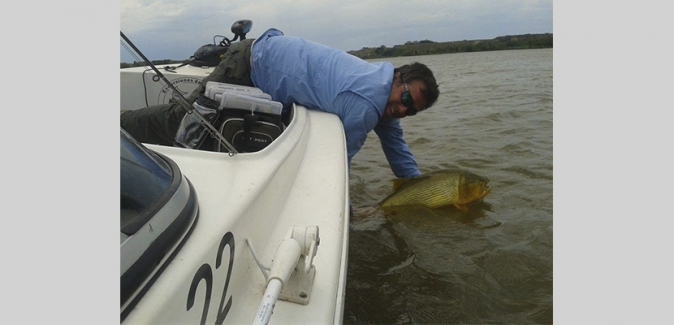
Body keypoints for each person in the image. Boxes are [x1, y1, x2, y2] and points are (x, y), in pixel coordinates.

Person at [121, 28, 440, 178]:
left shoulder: (382, 91)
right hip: (248, 64)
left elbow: (397, 149)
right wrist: (347, 211)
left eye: (412, 111)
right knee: (185, 123)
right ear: (397, 77)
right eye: (406, 99)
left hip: (261, 58)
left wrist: (421, 190)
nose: (403, 110)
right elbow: (338, 165)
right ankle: (119, 126)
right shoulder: (368, 102)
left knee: (194, 125)